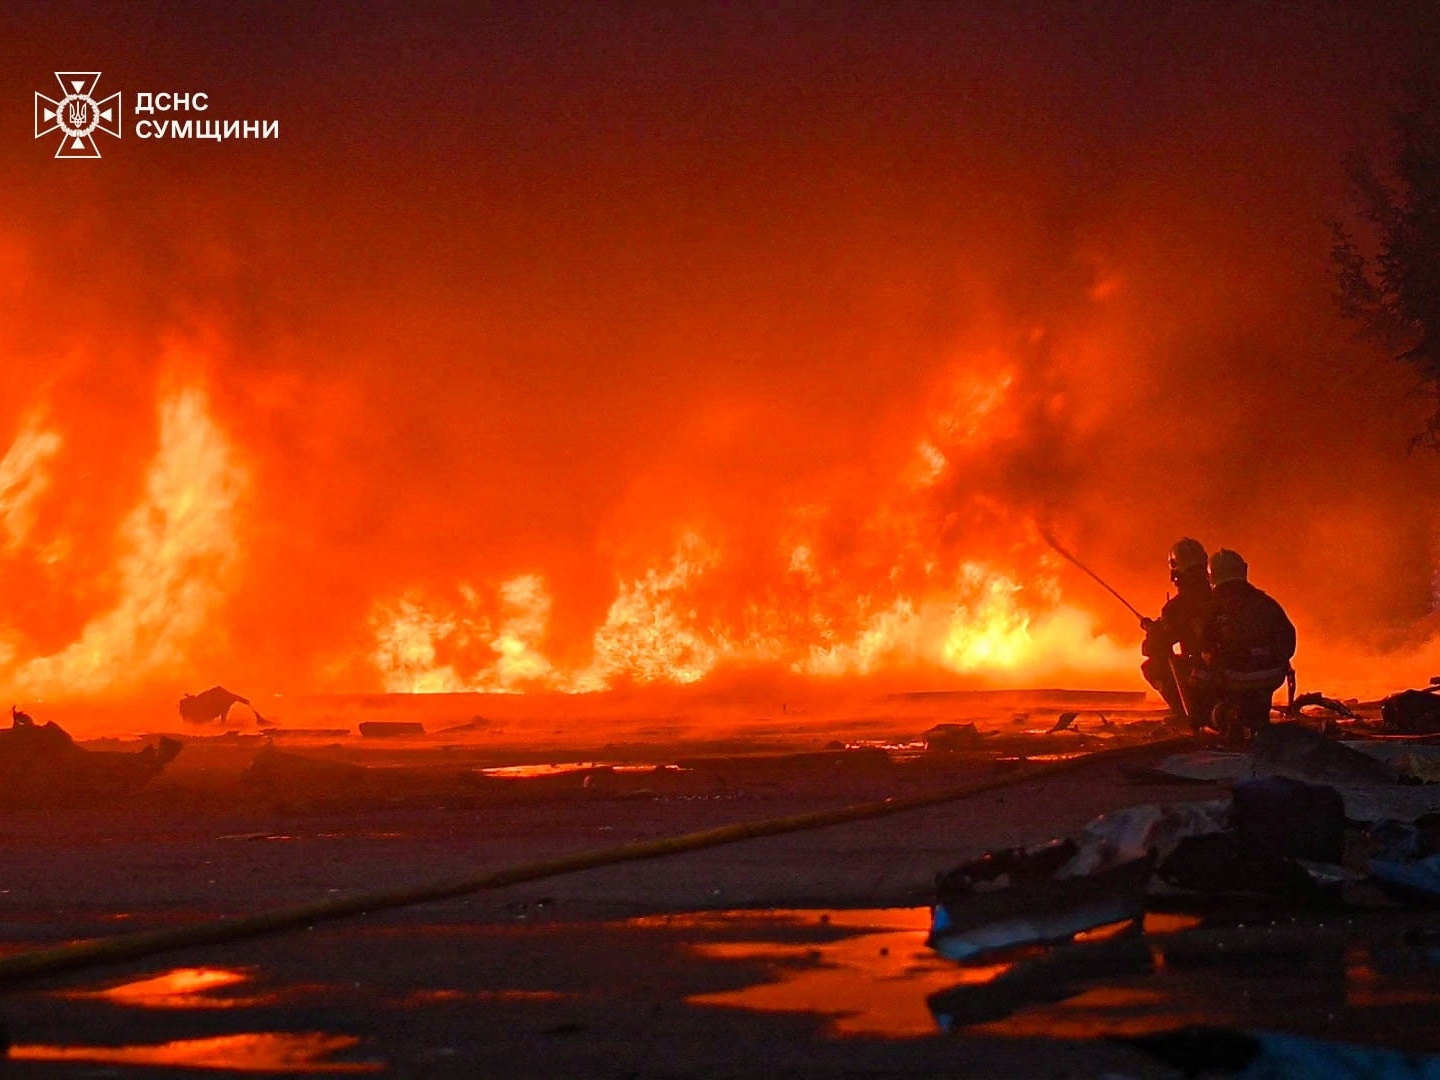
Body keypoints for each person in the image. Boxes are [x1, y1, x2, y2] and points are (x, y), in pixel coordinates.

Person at [1198, 548, 1296, 742]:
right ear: (1244, 570)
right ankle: (1257, 718)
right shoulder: (1266, 602)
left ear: (1212, 576)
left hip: (1233, 676)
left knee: (1196, 672)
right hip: (1271, 676)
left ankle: (1218, 717)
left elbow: (1201, 643)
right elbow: (1288, 639)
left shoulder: (1213, 606)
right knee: (1257, 708)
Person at [1140, 537, 1213, 726]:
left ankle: (1187, 714)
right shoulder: (1218, 596)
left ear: (1176, 568)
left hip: (1204, 675)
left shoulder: (1179, 606)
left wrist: (1153, 632)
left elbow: (1153, 648)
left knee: (1152, 667)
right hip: (1230, 673)